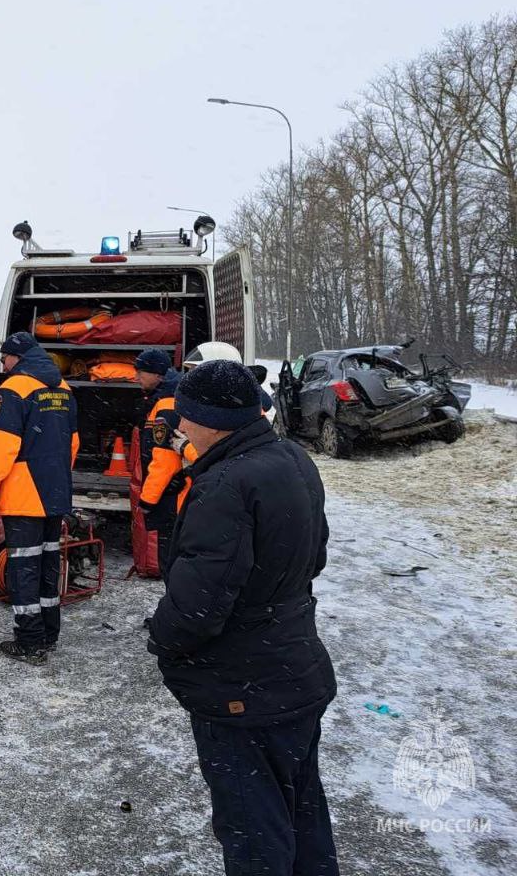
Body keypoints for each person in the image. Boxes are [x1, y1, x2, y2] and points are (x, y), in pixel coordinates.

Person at [147, 360, 338, 876]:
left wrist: (160, 638)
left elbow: (197, 607)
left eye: (185, 419)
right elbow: (313, 556)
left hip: (243, 689)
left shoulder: (226, 484)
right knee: (299, 808)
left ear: (211, 422)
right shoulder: (292, 458)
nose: (180, 429)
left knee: (254, 831)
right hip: (295, 670)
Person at [0, 332, 78, 664]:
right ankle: (49, 631)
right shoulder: (63, 389)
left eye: (4, 358)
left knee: (23, 567)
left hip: (24, 495)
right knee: (49, 563)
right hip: (55, 492)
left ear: (16, 358)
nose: (3, 365)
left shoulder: (12, 391)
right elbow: (72, 444)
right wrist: (54, 476)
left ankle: (29, 641)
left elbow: (3, 446)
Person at [133, 348, 185, 556]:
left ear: (157, 374)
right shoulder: (168, 398)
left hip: (172, 497)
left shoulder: (166, 406)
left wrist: (147, 500)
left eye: (141, 372)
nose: (136, 377)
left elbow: (165, 461)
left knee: (170, 557)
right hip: (177, 494)